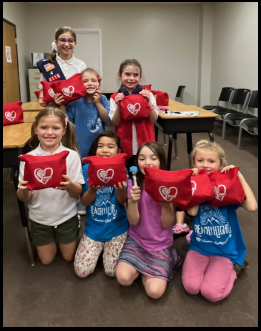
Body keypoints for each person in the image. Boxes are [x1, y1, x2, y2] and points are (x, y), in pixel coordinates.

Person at [182, 139, 258, 302]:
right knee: (191, 287)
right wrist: (193, 182)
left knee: (211, 294)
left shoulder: (226, 188)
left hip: (224, 251)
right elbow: (192, 211)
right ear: (194, 163)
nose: (205, 165)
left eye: (211, 161)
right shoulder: (193, 185)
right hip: (200, 247)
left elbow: (252, 206)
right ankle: (192, 239)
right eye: (200, 161)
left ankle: (234, 269)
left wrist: (237, 175)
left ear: (220, 164)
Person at [17, 105, 85, 265]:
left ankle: (72, 229)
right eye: (44, 127)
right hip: (40, 218)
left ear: (63, 130)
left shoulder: (71, 156)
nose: (49, 132)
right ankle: (50, 237)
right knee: (46, 260)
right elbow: (23, 197)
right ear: (35, 130)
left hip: (66, 216)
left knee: (69, 257)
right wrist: (23, 190)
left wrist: (69, 185)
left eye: (55, 128)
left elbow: (78, 191)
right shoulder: (27, 158)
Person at [116, 142, 182, 300]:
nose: (147, 162)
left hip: (160, 245)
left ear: (162, 162)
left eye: (154, 158)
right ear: (136, 162)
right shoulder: (134, 183)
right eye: (142, 158)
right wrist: (132, 202)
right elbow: (133, 221)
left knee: (154, 292)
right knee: (123, 278)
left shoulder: (169, 184)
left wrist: (166, 205)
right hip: (137, 241)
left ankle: (168, 259)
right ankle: (144, 269)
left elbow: (167, 224)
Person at [55, 67, 110, 216]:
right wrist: (61, 105)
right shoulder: (74, 102)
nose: (89, 83)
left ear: (99, 83)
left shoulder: (103, 98)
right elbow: (67, 122)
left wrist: (98, 103)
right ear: (79, 84)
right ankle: (81, 200)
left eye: (93, 80)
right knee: (80, 174)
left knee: (96, 171)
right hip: (79, 145)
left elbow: (107, 119)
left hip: (98, 146)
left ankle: (97, 197)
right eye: (85, 81)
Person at [74, 131, 129, 278]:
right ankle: (97, 249)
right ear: (94, 150)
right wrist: (92, 189)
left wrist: (121, 189)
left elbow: (122, 201)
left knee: (112, 272)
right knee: (81, 271)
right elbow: (85, 202)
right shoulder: (86, 170)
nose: (105, 150)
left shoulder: (122, 169)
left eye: (110, 146)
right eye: (100, 146)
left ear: (119, 152)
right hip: (94, 228)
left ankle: (107, 251)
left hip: (117, 227)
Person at [109, 59, 158, 171]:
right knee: (127, 173)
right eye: (127, 74)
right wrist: (118, 105)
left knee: (146, 173)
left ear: (140, 77)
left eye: (136, 75)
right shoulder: (114, 97)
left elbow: (153, 119)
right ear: (119, 76)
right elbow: (115, 122)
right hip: (125, 144)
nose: (131, 78)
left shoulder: (147, 95)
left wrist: (149, 102)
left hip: (146, 141)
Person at [37, 26, 87, 107]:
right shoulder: (48, 64)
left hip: (76, 108)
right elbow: (43, 88)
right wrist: (41, 98)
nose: (66, 44)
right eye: (62, 40)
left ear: (75, 43)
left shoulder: (81, 65)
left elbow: (84, 90)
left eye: (71, 40)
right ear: (56, 42)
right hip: (54, 108)